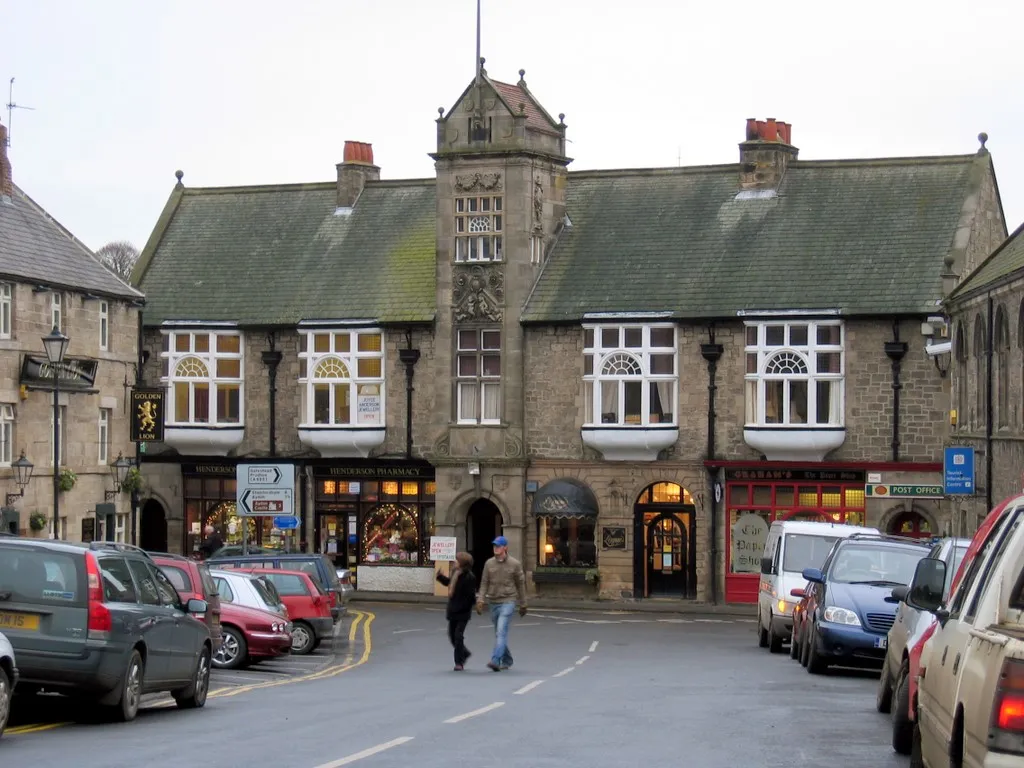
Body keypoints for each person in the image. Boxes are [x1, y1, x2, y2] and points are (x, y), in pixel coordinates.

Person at [476, 535, 528, 672]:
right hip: (493, 601)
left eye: (498, 546)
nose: (495, 548)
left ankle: (495, 660)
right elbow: (484, 583)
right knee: (500, 634)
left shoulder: (515, 564)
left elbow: (521, 585)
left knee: (501, 631)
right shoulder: (489, 564)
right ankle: (507, 659)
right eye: (494, 546)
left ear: (505, 548)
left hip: (508, 601)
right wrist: (480, 599)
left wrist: (523, 603)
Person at [435, 552, 477, 671]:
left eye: (456, 561)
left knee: (458, 636)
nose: (454, 562)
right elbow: (449, 583)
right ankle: (465, 653)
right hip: (453, 609)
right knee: (452, 636)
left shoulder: (469, 577)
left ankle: (459, 662)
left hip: (463, 611)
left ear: (462, 563)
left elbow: (471, 596)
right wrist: (440, 577)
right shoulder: (455, 573)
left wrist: (470, 604)